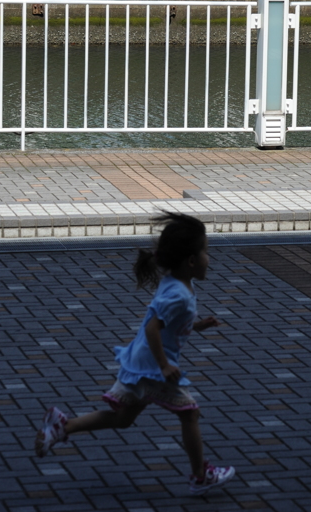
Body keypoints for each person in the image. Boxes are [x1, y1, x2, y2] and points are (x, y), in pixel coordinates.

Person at [33, 212, 236, 496]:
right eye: (205, 251)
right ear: (190, 260)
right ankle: (200, 475)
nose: (208, 258)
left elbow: (168, 322)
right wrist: (165, 366)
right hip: (152, 369)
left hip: (140, 362)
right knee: (190, 414)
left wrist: (198, 325)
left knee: (123, 419)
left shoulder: (178, 285)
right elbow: (154, 328)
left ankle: (62, 426)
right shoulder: (178, 293)